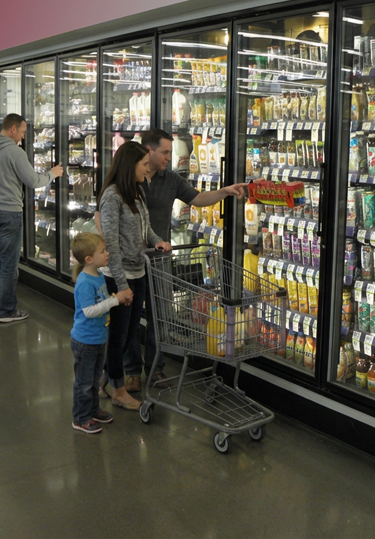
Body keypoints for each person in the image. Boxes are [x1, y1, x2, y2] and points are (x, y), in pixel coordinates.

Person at [135, 128, 247, 390]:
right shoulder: (130, 178)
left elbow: (197, 198)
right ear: (148, 151)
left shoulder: (170, 178)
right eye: (164, 152)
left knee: (158, 317)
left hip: (159, 257)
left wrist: (225, 192)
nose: (168, 157)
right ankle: (130, 371)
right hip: (131, 257)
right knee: (128, 319)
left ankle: (154, 369)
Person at [0, 113, 63, 323]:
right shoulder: (15, 152)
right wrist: (52, 173)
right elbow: (33, 180)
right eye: (23, 132)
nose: (23, 137)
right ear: (13, 129)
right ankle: (7, 311)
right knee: (8, 264)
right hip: (9, 213)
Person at [98, 141, 170, 408]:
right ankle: (118, 393)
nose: (147, 168)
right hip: (119, 276)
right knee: (118, 337)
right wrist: (120, 286)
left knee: (128, 336)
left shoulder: (138, 192)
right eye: (143, 164)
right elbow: (112, 246)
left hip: (139, 272)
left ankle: (104, 379)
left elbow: (146, 228)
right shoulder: (112, 197)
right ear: (130, 166)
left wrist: (157, 241)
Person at [69, 232, 123, 434]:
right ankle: (80, 418)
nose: (107, 253)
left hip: (99, 338)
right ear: (89, 259)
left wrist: (113, 299)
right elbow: (90, 311)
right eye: (103, 251)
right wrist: (115, 300)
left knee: (93, 381)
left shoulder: (98, 275)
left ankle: (92, 410)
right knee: (83, 383)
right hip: (85, 341)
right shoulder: (84, 282)